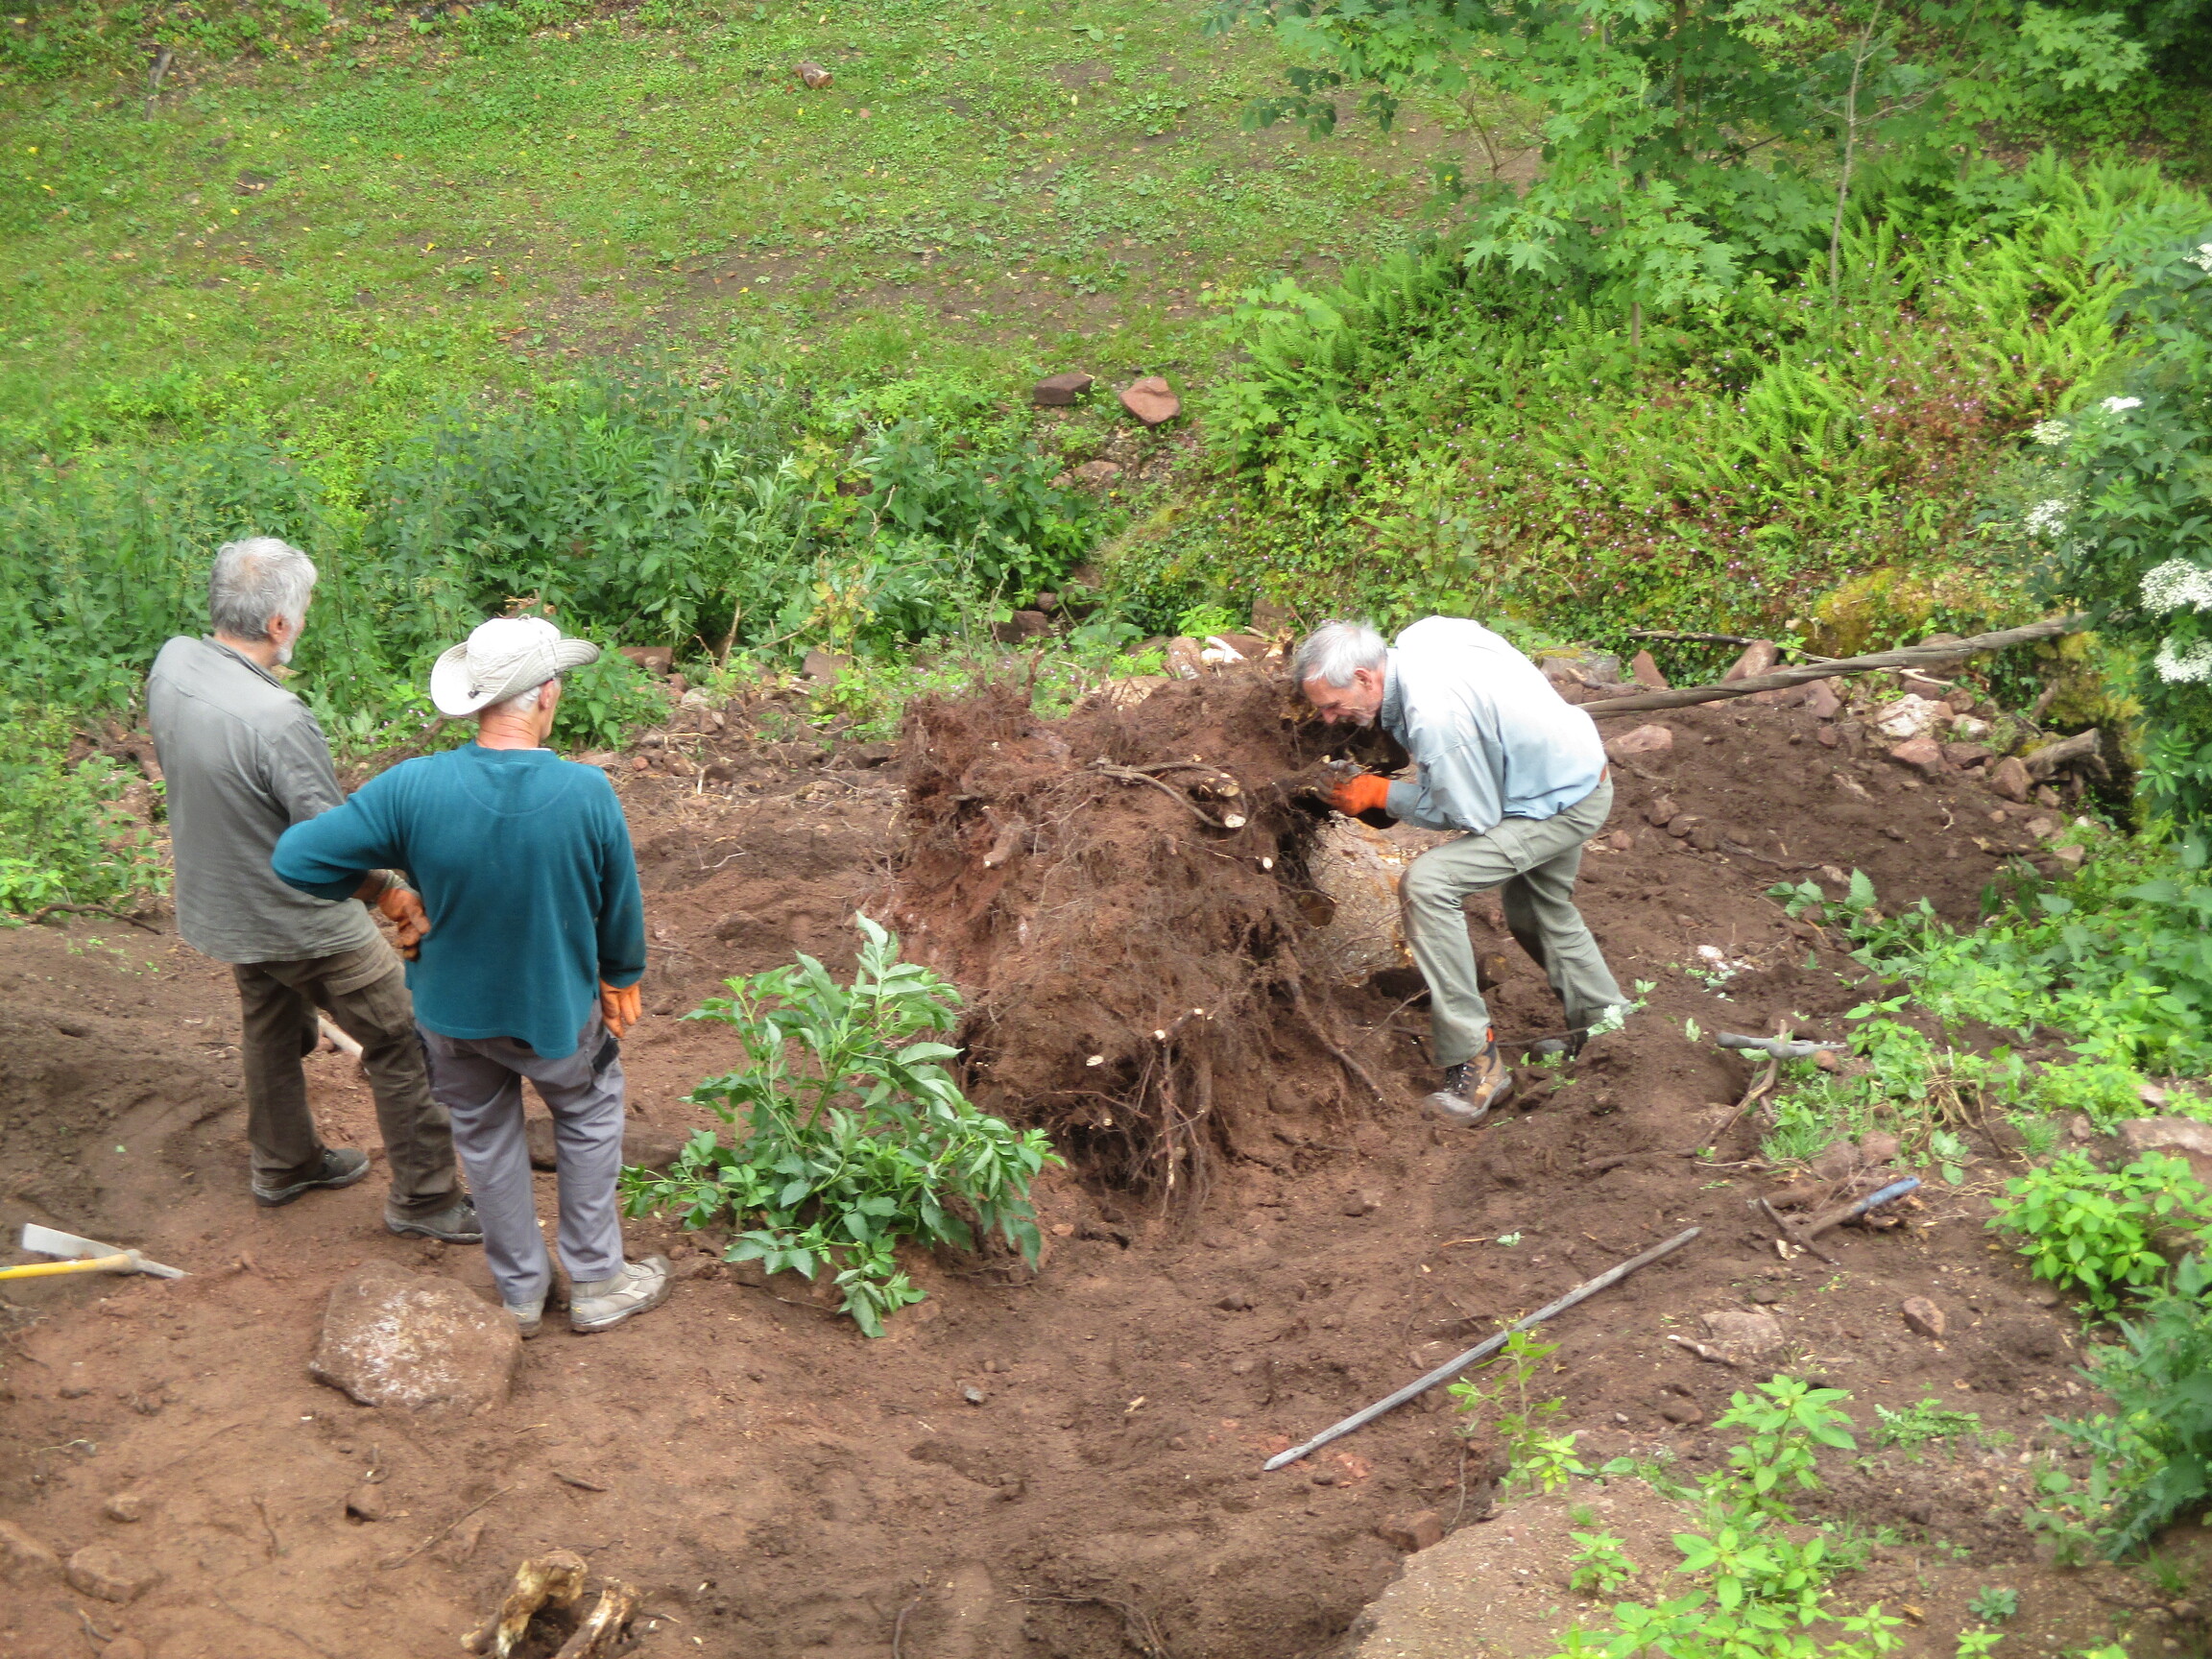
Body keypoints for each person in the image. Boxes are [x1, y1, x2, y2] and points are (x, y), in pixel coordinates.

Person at [272, 615, 665, 1337]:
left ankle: (521, 1293)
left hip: (452, 1018)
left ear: (479, 700)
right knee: (587, 1114)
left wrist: (382, 891)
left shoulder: (413, 787)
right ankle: (597, 1280)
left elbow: (298, 858)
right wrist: (621, 971)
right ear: (547, 693)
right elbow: (620, 904)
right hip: (554, 1012)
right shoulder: (586, 792)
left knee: (484, 1137)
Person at [146, 538, 479, 1240]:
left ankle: (284, 1163)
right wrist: (389, 890)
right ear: (278, 625)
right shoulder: (278, 719)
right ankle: (426, 1199)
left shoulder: (173, 663)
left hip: (225, 901)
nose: (305, 619)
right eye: (303, 610)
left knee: (269, 1025)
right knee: (402, 1035)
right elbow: (330, 844)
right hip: (298, 919)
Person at [1294, 617, 1625, 1126]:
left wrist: (1380, 794)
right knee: (1535, 910)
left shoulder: (1434, 717)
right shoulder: (1424, 636)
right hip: (1571, 770)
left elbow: (1472, 814)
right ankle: (1612, 1034)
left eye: (1333, 706)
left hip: (1559, 803)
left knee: (1429, 883)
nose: (1330, 719)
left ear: (1364, 677)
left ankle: (1476, 1062)